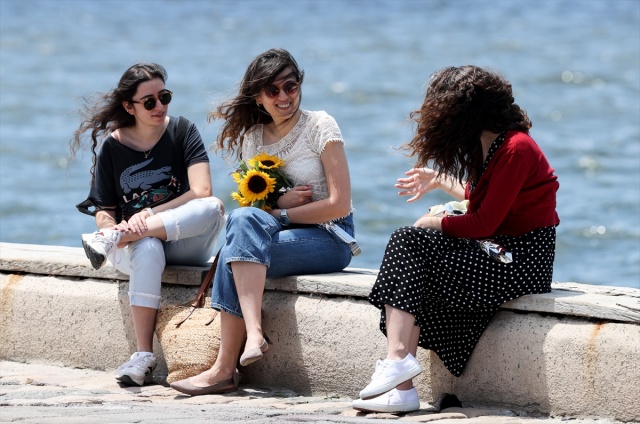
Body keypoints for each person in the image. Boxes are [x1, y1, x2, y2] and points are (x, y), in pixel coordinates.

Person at [352, 65, 560, 413]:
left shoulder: (516, 148)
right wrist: (437, 179)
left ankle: (398, 365)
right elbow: (483, 199)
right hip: (499, 249)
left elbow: (483, 221)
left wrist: (435, 221)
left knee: (410, 239)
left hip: (522, 260)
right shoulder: (492, 144)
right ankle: (400, 385)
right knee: (415, 257)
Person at [170, 48, 355, 396]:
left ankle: (225, 369)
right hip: (277, 234)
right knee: (239, 227)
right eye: (273, 90)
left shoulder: (320, 125)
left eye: (291, 86)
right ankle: (252, 334)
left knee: (231, 253)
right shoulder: (251, 139)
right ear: (258, 97)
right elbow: (251, 205)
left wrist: (283, 214)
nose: (284, 97)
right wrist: (278, 202)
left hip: (331, 238)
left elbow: (338, 204)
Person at [69, 63, 225, 387]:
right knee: (148, 245)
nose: (160, 106)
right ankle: (142, 357)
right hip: (136, 248)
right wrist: (119, 229)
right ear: (130, 106)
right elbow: (104, 211)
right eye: (150, 101)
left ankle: (126, 236)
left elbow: (202, 191)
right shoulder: (113, 147)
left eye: (164, 97)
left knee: (214, 207)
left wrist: (149, 217)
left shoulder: (182, 130)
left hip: (181, 239)